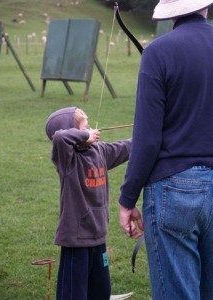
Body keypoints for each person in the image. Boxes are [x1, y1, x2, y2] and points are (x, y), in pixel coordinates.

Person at [118, 0, 213, 299]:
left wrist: (127, 198)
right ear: (204, 7)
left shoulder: (159, 52)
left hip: (174, 187)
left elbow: (146, 139)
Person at [45, 107, 131, 300]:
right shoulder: (66, 159)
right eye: (86, 127)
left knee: (101, 290)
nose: (91, 130)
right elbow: (60, 138)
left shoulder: (99, 150)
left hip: (98, 234)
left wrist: (147, 136)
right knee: (74, 293)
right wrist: (85, 135)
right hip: (76, 238)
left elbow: (125, 147)